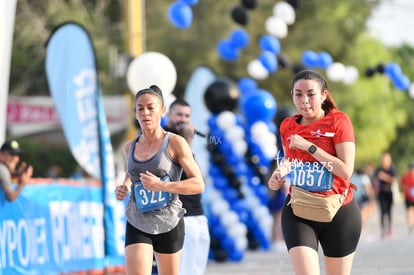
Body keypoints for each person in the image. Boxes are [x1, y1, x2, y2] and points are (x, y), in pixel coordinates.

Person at [267, 70, 361, 274]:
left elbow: (346, 170)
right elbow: (290, 161)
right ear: (292, 94)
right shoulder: (287, 125)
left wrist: (309, 146)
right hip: (299, 209)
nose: (304, 100)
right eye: (298, 94)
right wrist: (278, 174)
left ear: (323, 95)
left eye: (311, 94)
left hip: (338, 210)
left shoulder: (338, 121)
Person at [114, 85, 205, 275]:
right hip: (137, 220)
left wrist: (161, 186)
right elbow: (132, 175)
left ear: (162, 111)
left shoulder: (174, 143)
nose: (145, 113)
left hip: (168, 221)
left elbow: (198, 184)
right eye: (140, 108)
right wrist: (124, 188)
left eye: (150, 107)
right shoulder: (129, 147)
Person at [163, 99, 210, 275]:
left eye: (187, 116)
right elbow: (174, 169)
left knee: (197, 267)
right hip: (180, 214)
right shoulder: (165, 137)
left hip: (197, 212)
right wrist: (188, 141)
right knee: (182, 269)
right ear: (168, 115)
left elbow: (198, 177)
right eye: (179, 114)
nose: (183, 119)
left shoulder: (184, 141)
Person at [373, 152, 397, 238]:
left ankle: (390, 228)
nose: (384, 161)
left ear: (389, 160)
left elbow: (393, 180)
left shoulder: (392, 169)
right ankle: (383, 229)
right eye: (383, 159)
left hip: (389, 192)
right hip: (381, 193)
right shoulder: (379, 169)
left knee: (389, 211)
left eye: (386, 159)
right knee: (382, 211)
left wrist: (384, 177)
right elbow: (375, 180)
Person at [400, 162, 414, 234]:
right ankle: (410, 224)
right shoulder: (405, 176)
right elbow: (402, 185)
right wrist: (404, 190)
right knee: (409, 211)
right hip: (408, 197)